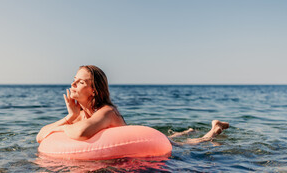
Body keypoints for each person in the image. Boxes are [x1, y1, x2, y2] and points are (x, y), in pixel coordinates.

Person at [36, 65, 229, 145]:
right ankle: (187, 130)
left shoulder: (107, 112)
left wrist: (68, 125)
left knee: (188, 145)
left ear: (94, 90)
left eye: (80, 82)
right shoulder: (80, 115)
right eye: (74, 80)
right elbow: (40, 136)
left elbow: (80, 133)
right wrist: (69, 118)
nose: (72, 84)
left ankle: (214, 128)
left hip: (143, 146)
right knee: (175, 137)